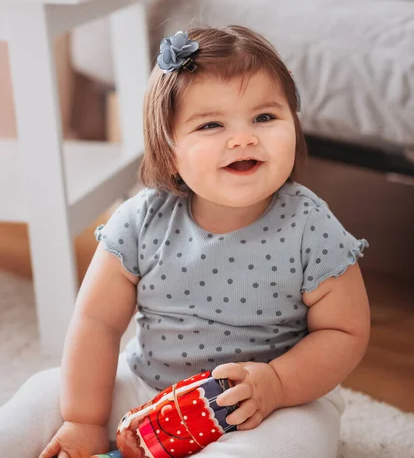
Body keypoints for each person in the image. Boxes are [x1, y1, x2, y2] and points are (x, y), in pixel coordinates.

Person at [0, 26, 371, 458]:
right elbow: (96, 323)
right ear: (169, 148)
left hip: (274, 404)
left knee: (285, 446)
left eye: (265, 118)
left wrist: (278, 384)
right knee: (41, 395)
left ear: (294, 122)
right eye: (212, 124)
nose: (244, 138)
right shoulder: (141, 221)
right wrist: (83, 418)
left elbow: (344, 331)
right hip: (148, 385)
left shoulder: (312, 226)